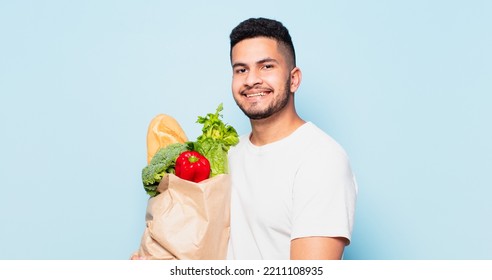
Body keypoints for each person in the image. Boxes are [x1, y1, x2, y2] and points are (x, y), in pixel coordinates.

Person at [227, 17, 358, 260]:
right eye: (241, 69)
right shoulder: (228, 154)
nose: (251, 79)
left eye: (266, 66)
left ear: (294, 79)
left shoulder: (322, 159)